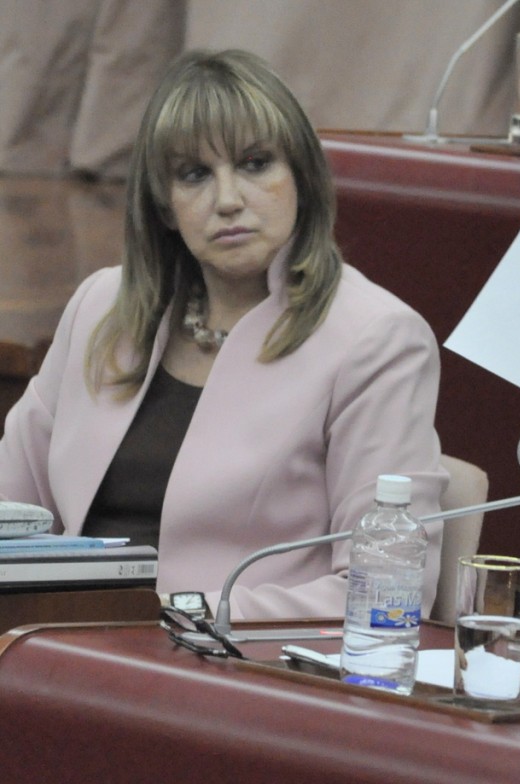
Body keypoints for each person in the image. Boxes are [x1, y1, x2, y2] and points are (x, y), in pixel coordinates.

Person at [0, 49, 447, 622]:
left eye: (255, 164)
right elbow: (11, 512)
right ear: (165, 206)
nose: (229, 200)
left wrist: (169, 617)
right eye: (194, 175)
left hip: (228, 658)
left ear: (301, 177)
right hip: (57, 643)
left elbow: (387, 595)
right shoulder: (101, 307)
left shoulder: (377, 341)